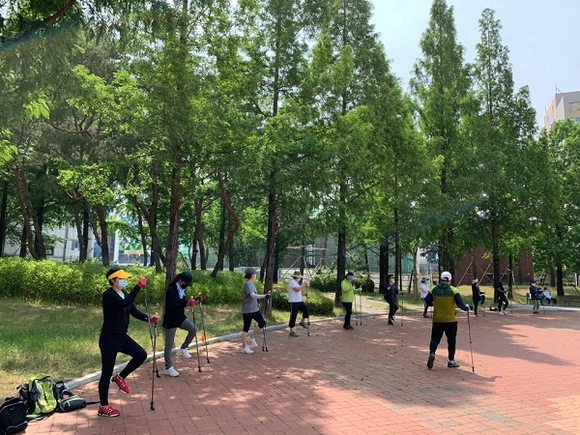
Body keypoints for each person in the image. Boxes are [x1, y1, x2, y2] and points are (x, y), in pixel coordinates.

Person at [97, 268, 158, 418]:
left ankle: (120, 377)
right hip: (109, 339)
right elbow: (125, 303)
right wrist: (138, 287)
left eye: (125, 278)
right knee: (106, 373)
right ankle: (103, 407)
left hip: (122, 337)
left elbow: (134, 311)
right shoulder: (109, 295)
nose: (124, 281)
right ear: (113, 280)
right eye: (121, 278)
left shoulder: (123, 293)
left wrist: (148, 318)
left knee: (141, 354)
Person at [424, 271, 470, 369]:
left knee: (435, 339)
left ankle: (432, 353)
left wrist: (433, 303)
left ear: (441, 279)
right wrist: (467, 308)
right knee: (451, 340)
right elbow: (460, 305)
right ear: (450, 279)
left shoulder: (433, 289)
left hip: (437, 319)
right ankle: (451, 361)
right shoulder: (453, 290)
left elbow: (427, 301)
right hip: (450, 320)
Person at [161, 271, 199, 377]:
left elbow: (183, 303)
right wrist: (186, 304)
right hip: (171, 320)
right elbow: (172, 305)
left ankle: (183, 348)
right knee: (169, 346)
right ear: (180, 281)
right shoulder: (171, 289)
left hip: (180, 318)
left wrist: (194, 302)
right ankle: (168, 367)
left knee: (193, 329)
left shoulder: (182, 289)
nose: (186, 285)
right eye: (185, 283)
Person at [241, 268, 270, 354]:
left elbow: (254, 297)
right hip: (248, 310)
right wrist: (264, 296)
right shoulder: (247, 284)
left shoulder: (251, 284)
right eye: (254, 274)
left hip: (255, 309)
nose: (255, 275)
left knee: (262, 323)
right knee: (245, 329)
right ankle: (244, 347)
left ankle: (251, 337)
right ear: (251, 275)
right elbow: (253, 296)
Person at [288, 270, 310, 337]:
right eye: (299, 277)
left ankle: (302, 321)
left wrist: (303, 294)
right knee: (293, 315)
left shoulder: (296, 283)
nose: (299, 278)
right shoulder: (292, 282)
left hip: (299, 301)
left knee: (306, 309)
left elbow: (298, 292)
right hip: (293, 301)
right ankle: (291, 331)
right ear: (296, 277)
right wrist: (304, 284)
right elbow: (297, 289)